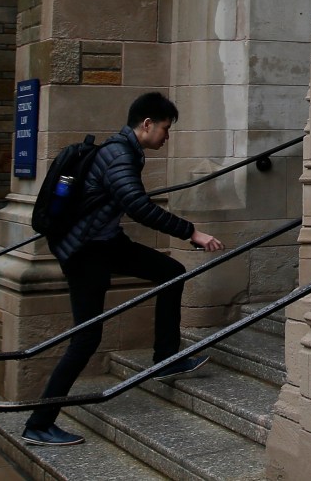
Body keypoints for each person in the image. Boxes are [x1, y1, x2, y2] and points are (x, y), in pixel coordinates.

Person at [22, 91, 226, 446]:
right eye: (165, 128)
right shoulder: (119, 155)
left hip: (105, 244)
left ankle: (165, 358)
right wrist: (191, 232)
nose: (167, 136)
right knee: (86, 338)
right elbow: (138, 206)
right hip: (85, 252)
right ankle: (39, 423)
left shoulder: (125, 152)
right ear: (146, 124)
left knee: (171, 272)